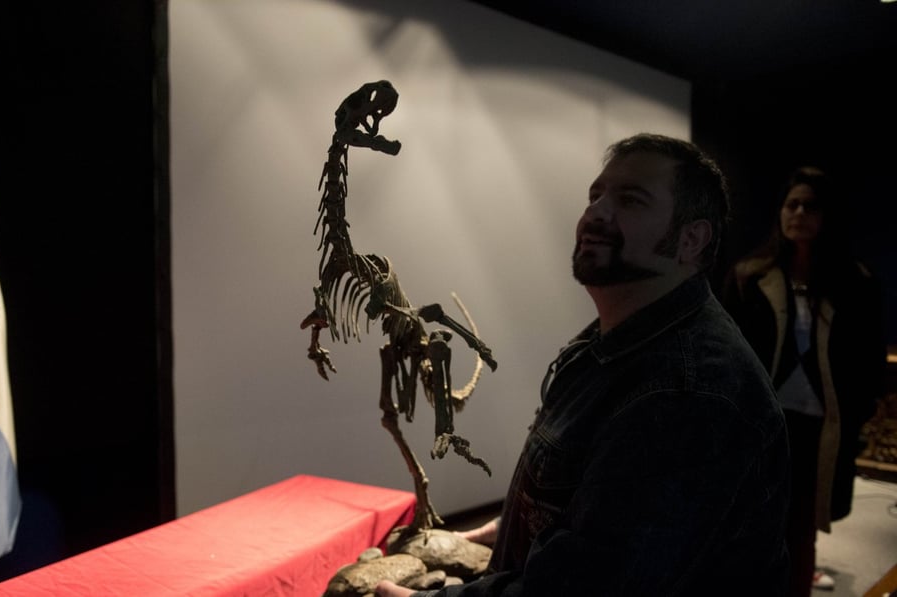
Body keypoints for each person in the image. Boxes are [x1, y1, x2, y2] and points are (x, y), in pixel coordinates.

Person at [376, 133, 790, 597]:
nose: (595, 213)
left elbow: (594, 586)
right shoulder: (615, 341)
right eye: (595, 196)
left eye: (630, 200)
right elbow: (612, 508)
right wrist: (514, 524)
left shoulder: (685, 393)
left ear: (691, 239)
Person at [720, 166, 885, 595]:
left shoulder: (855, 283)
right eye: (791, 204)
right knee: (753, 517)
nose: (798, 213)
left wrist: (855, 414)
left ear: (826, 215)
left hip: (820, 425)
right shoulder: (749, 277)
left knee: (802, 523)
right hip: (763, 422)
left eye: (810, 205)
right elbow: (727, 352)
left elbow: (868, 359)